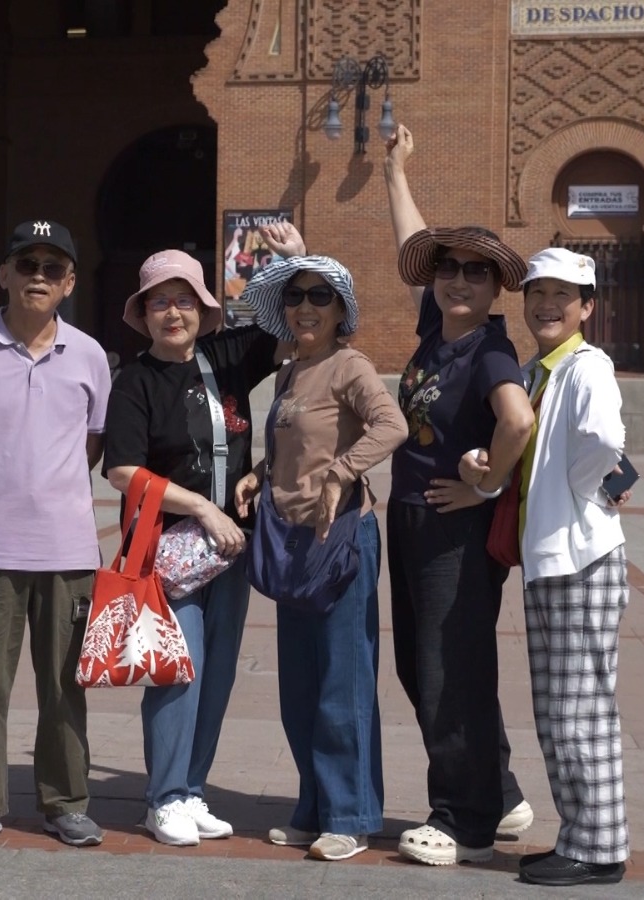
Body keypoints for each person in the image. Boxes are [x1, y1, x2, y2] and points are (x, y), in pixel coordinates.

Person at [381, 123, 539, 866]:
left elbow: (518, 418)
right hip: (411, 520)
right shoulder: (438, 330)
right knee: (423, 664)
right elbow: (412, 247)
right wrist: (395, 171)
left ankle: (464, 819)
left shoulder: (489, 349)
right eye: (450, 269)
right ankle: (500, 792)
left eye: (476, 273)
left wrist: (486, 485)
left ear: (496, 286)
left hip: (454, 533)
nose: (459, 281)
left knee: (451, 668)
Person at [0, 220, 111, 850]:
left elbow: (90, 444)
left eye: (52, 267)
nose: (38, 275)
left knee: (65, 683)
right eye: (26, 263)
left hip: (66, 550)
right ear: (4, 274)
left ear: (69, 283)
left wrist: (42, 491)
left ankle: (66, 802)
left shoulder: (89, 356)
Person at [101, 247, 286, 847]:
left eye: (184, 300)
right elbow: (124, 470)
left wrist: (291, 261)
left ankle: (193, 788)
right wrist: (203, 505)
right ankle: (164, 797)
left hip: (228, 550)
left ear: (204, 308)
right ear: (144, 313)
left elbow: (291, 322)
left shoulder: (226, 357)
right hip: (170, 552)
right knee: (181, 668)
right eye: (160, 302)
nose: (172, 313)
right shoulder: (135, 380)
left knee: (220, 671)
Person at [459, 248, 631, 887]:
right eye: (538, 294)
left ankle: (598, 849)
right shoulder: (538, 371)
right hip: (553, 561)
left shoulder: (588, 366)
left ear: (588, 306)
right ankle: (582, 836)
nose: (548, 305)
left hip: (580, 559)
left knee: (581, 707)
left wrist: (583, 492)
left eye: (564, 294)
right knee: (560, 709)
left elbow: (607, 443)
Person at [234, 244, 407, 862]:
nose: (304, 308)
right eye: (295, 296)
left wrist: (341, 472)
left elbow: (392, 426)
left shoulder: (350, 366)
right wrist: (260, 472)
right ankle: (313, 805)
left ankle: (351, 815)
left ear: (341, 310)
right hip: (292, 541)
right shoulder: (290, 370)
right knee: (300, 685)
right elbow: (295, 444)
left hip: (341, 541)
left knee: (344, 682)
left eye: (319, 297)